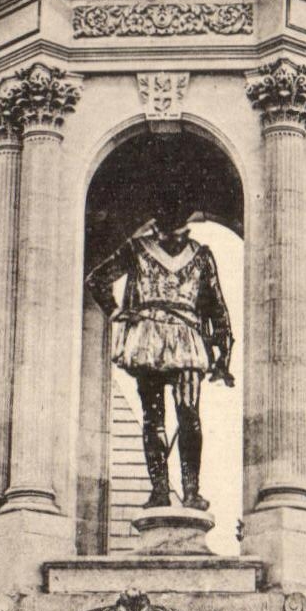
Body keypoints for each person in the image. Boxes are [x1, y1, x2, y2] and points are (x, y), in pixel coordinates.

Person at [87, 203, 233, 509]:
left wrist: (224, 349)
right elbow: (97, 279)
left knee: (188, 415)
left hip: (186, 337)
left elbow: (216, 305)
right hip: (148, 338)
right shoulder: (137, 249)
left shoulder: (201, 255)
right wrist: (118, 312)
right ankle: (160, 489)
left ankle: (191, 490)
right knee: (153, 418)